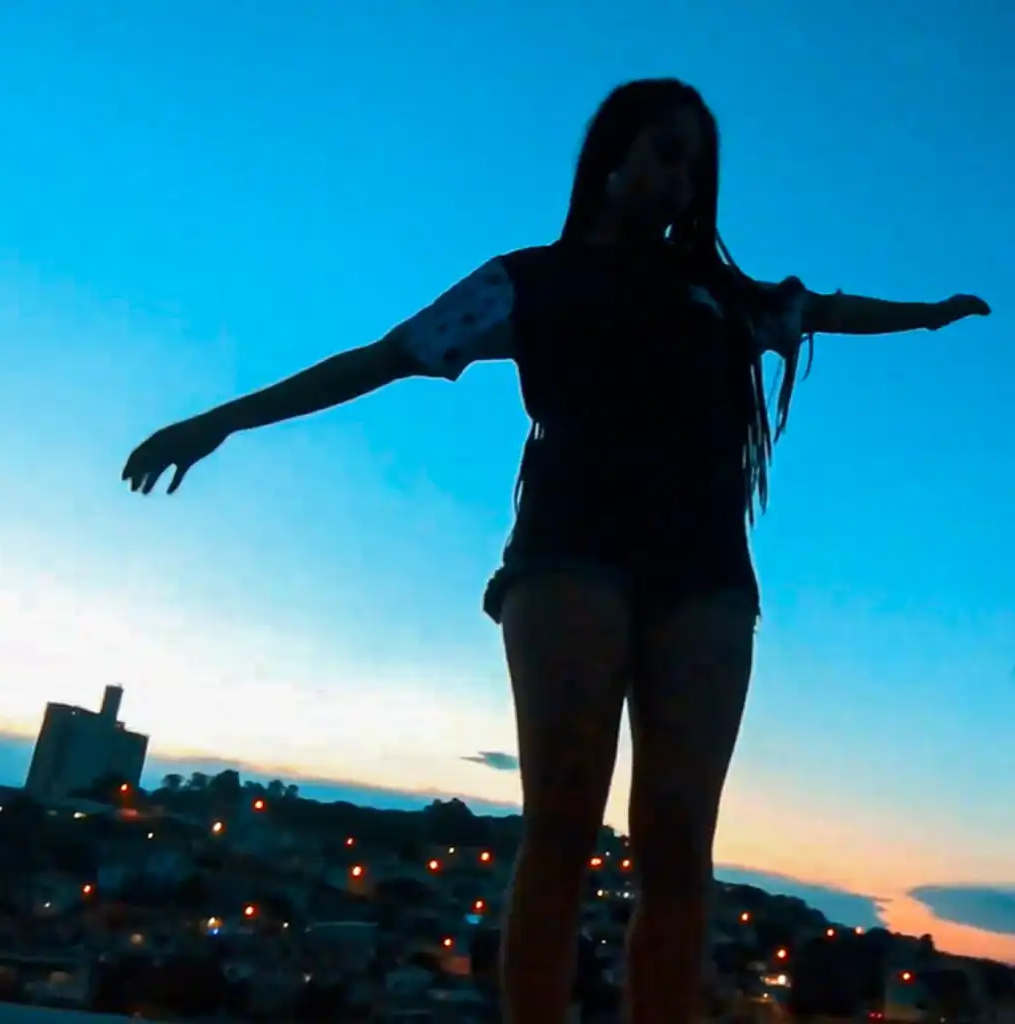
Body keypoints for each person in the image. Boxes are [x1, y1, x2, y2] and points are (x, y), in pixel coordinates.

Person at [122, 78, 990, 1024]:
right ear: (611, 159)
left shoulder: (724, 297)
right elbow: (381, 358)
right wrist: (220, 420)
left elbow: (823, 310)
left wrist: (929, 314)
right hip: (570, 553)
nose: (683, 179)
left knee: (678, 840)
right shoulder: (528, 281)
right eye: (666, 153)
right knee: (565, 822)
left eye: (697, 166)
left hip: (705, 570)